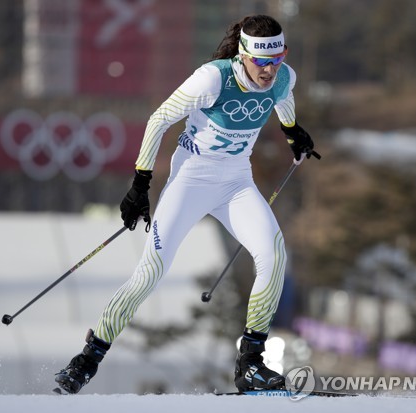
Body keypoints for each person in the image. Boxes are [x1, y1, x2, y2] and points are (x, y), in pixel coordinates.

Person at [55, 14, 315, 394]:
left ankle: (251, 364)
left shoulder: (283, 77)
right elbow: (159, 119)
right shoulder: (212, 78)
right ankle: (87, 359)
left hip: (236, 183)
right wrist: (140, 184)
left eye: (278, 58)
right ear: (243, 55)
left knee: (275, 256)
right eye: (261, 61)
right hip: (190, 181)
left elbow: (283, 100)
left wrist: (293, 132)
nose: (270, 69)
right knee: (150, 273)